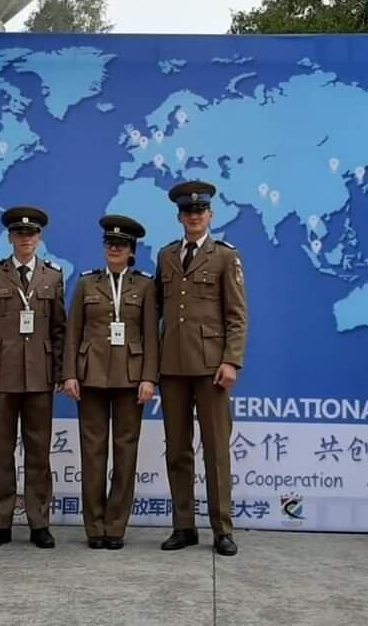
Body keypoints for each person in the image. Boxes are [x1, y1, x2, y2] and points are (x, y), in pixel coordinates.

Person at [155, 180, 248, 556]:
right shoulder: (165, 255)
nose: (193, 216)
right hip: (172, 368)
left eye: (199, 211)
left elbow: (237, 315)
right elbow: (158, 312)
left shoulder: (225, 256)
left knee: (216, 451)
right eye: (187, 211)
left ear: (210, 215)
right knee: (177, 451)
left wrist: (231, 360)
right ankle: (183, 526)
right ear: (179, 217)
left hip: (212, 368)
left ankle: (222, 529)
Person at [0, 206, 66, 549]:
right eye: (20, 234)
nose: (26, 239)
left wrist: (59, 372)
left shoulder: (53, 276)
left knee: (39, 452)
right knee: (1, 451)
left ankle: (40, 523)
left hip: (40, 376)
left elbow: (60, 330)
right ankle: (0, 523)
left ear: (40, 238)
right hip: (1, 376)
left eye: (31, 234)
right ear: (10, 238)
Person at [62, 215, 158, 550]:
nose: (114, 249)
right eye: (109, 244)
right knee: (92, 453)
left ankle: (115, 526)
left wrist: (149, 377)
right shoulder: (87, 283)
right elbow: (73, 331)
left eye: (121, 245)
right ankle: (94, 527)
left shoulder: (145, 285)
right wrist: (69, 373)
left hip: (131, 378)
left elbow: (151, 335)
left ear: (132, 251)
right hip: (90, 376)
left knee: (125, 452)